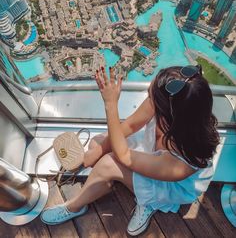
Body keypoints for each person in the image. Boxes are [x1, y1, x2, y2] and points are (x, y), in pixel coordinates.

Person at [41, 65, 219, 236]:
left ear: (169, 117)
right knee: (97, 143)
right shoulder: (172, 104)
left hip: (169, 186)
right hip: (153, 153)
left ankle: (77, 206)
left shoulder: (183, 162)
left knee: (107, 163)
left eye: (151, 95)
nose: (149, 97)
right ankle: (112, 182)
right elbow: (131, 125)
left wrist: (111, 104)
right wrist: (98, 151)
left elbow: (123, 156)